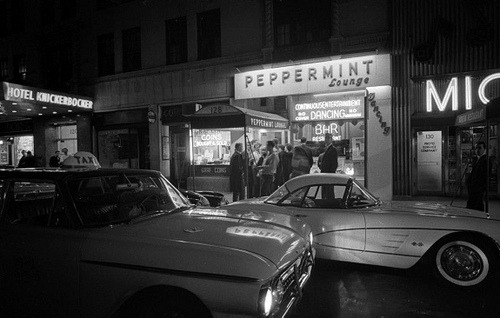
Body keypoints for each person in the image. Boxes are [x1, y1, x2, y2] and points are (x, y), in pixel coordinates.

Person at [466, 141, 487, 211]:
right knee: (476, 204)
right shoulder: (478, 159)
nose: (478, 150)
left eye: (480, 148)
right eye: (477, 148)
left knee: (476, 203)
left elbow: (484, 175)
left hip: (478, 187)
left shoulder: (485, 160)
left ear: (484, 149)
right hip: (474, 187)